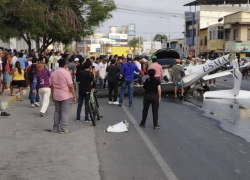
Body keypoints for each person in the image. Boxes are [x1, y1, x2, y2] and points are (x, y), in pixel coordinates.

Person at [50, 58, 77, 134]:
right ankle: (63, 128)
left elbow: (52, 86)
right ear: (65, 65)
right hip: (66, 95)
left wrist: (52, 95)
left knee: (57, 111)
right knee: (65, 112)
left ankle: (55, 127)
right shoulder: (66, 73)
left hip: (56, 94)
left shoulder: (53, 73)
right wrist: (74, 96)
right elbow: (71, 86)